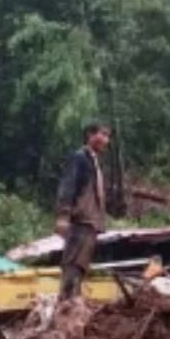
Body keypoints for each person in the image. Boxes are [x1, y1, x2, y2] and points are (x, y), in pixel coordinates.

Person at [53, 122, 112, 302]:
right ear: (90, 135)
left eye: (108, 136)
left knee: (81, 263)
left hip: (91, 222)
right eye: (103, 134)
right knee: (72, 261)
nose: (106, 140)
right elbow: (68, 186)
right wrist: (63, 215)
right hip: (79, 219)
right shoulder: (79, 158)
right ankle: (66, 300)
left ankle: (74, 299)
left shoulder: (95, 162)